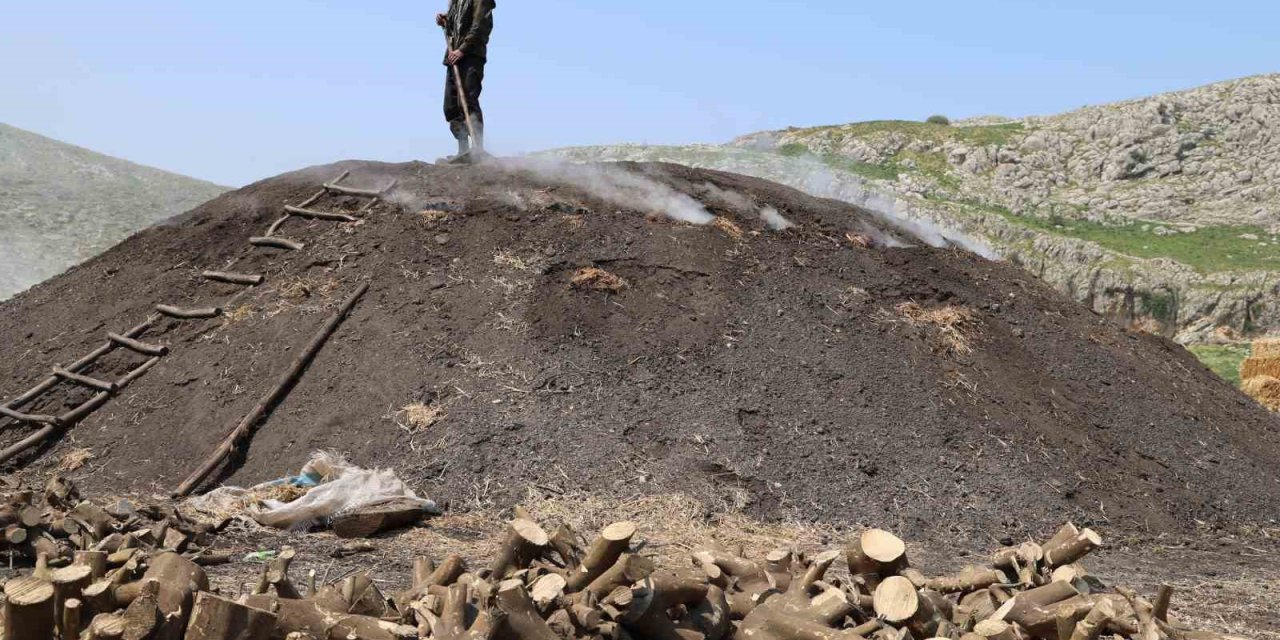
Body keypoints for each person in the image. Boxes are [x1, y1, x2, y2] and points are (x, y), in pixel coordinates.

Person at [437, 0, 496, 163]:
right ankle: (462, 151)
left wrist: (462, 49)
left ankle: (477, 149)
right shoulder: (456, 2)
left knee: (468, 100)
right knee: (451, 105)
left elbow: (481, 26)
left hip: (470, 55)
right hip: (453, 56)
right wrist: (446, 20)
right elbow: (456, 28)